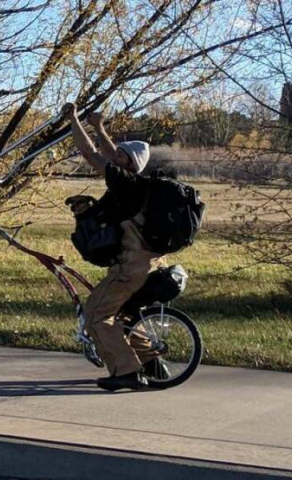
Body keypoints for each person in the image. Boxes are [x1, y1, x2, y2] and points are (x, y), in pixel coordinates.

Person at [61, 102, 166, 391]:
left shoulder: (125, 184)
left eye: (120, 155)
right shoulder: (136, 185)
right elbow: (110, 155)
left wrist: (73, 120)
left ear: (129, 163)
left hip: (130, 266)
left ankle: (127, 371)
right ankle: (153, 365)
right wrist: (98, 126)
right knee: (122, 314)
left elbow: (90, 153)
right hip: (148, 263)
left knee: (97, 314)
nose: (113, 155)